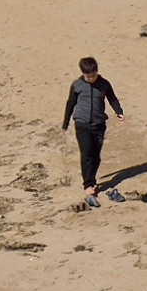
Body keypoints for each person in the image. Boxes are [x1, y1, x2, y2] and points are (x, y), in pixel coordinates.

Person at [60, 56, 125, 206]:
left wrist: (118, 111)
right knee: (87, 154)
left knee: (96, 156)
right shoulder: (77, 85)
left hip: (99, 124)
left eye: (93, 75)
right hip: (82, 124)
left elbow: (112, 99)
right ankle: (88, 185)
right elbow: (70, 104)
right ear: (83, 74)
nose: (91, 78)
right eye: (88, 76)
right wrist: (65, 123)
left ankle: (92, 180)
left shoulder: (104, 84)